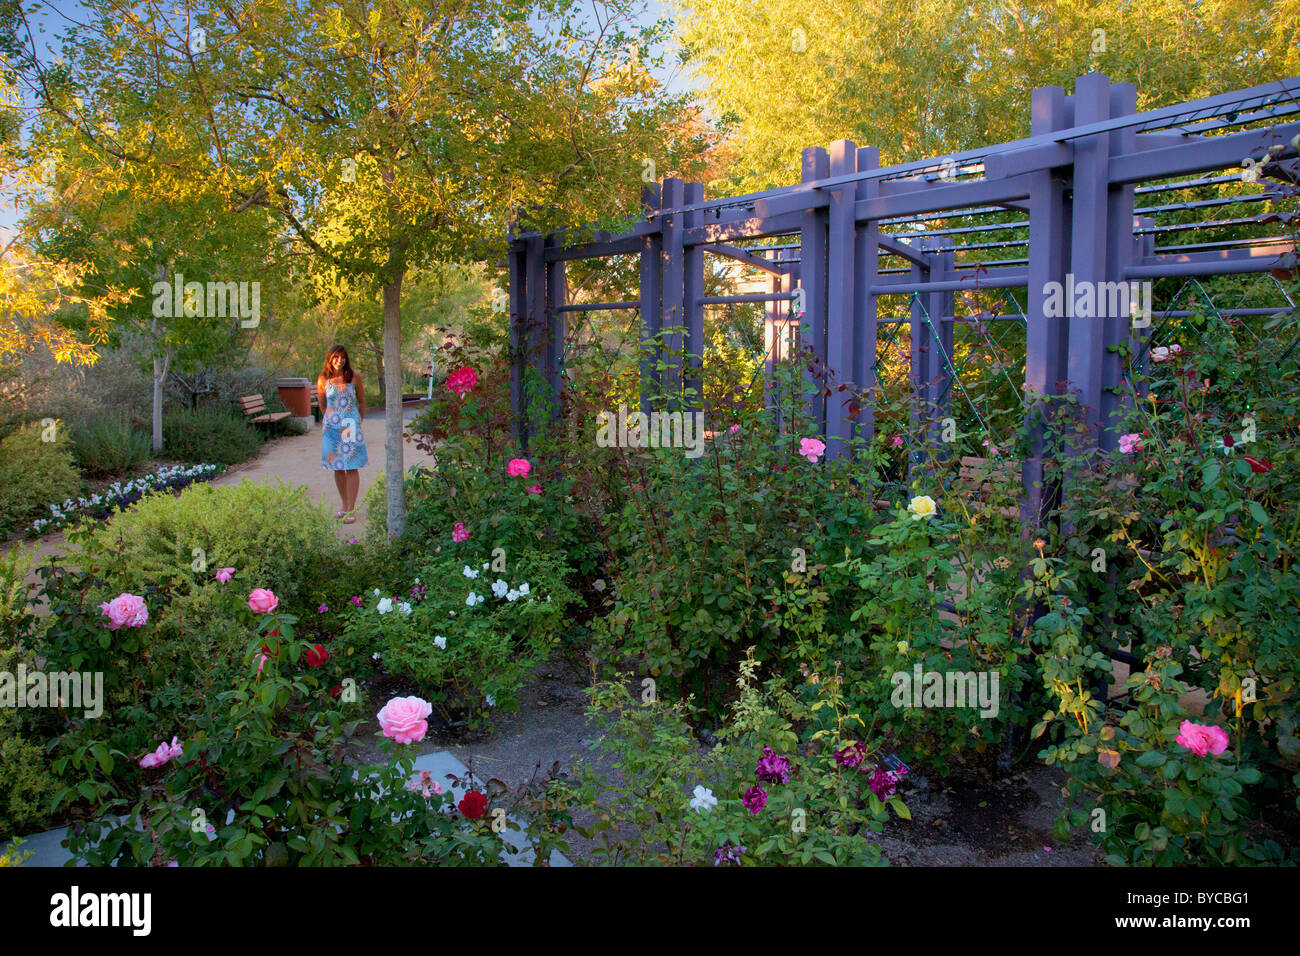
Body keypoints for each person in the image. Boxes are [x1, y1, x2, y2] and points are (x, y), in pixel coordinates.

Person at [317, 345, 368, 523]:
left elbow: (361, 401)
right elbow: (323, 404)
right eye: (336, 357)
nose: (340, 360)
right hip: (332, 429)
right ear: (330, 359)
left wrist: (357, 421)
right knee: (338, 467)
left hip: (350, 427)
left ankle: (351, 509)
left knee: (351, 466)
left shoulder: (354, 376)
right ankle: (344, 505)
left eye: (343, 357)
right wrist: (330, 421)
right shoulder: (323, 379)